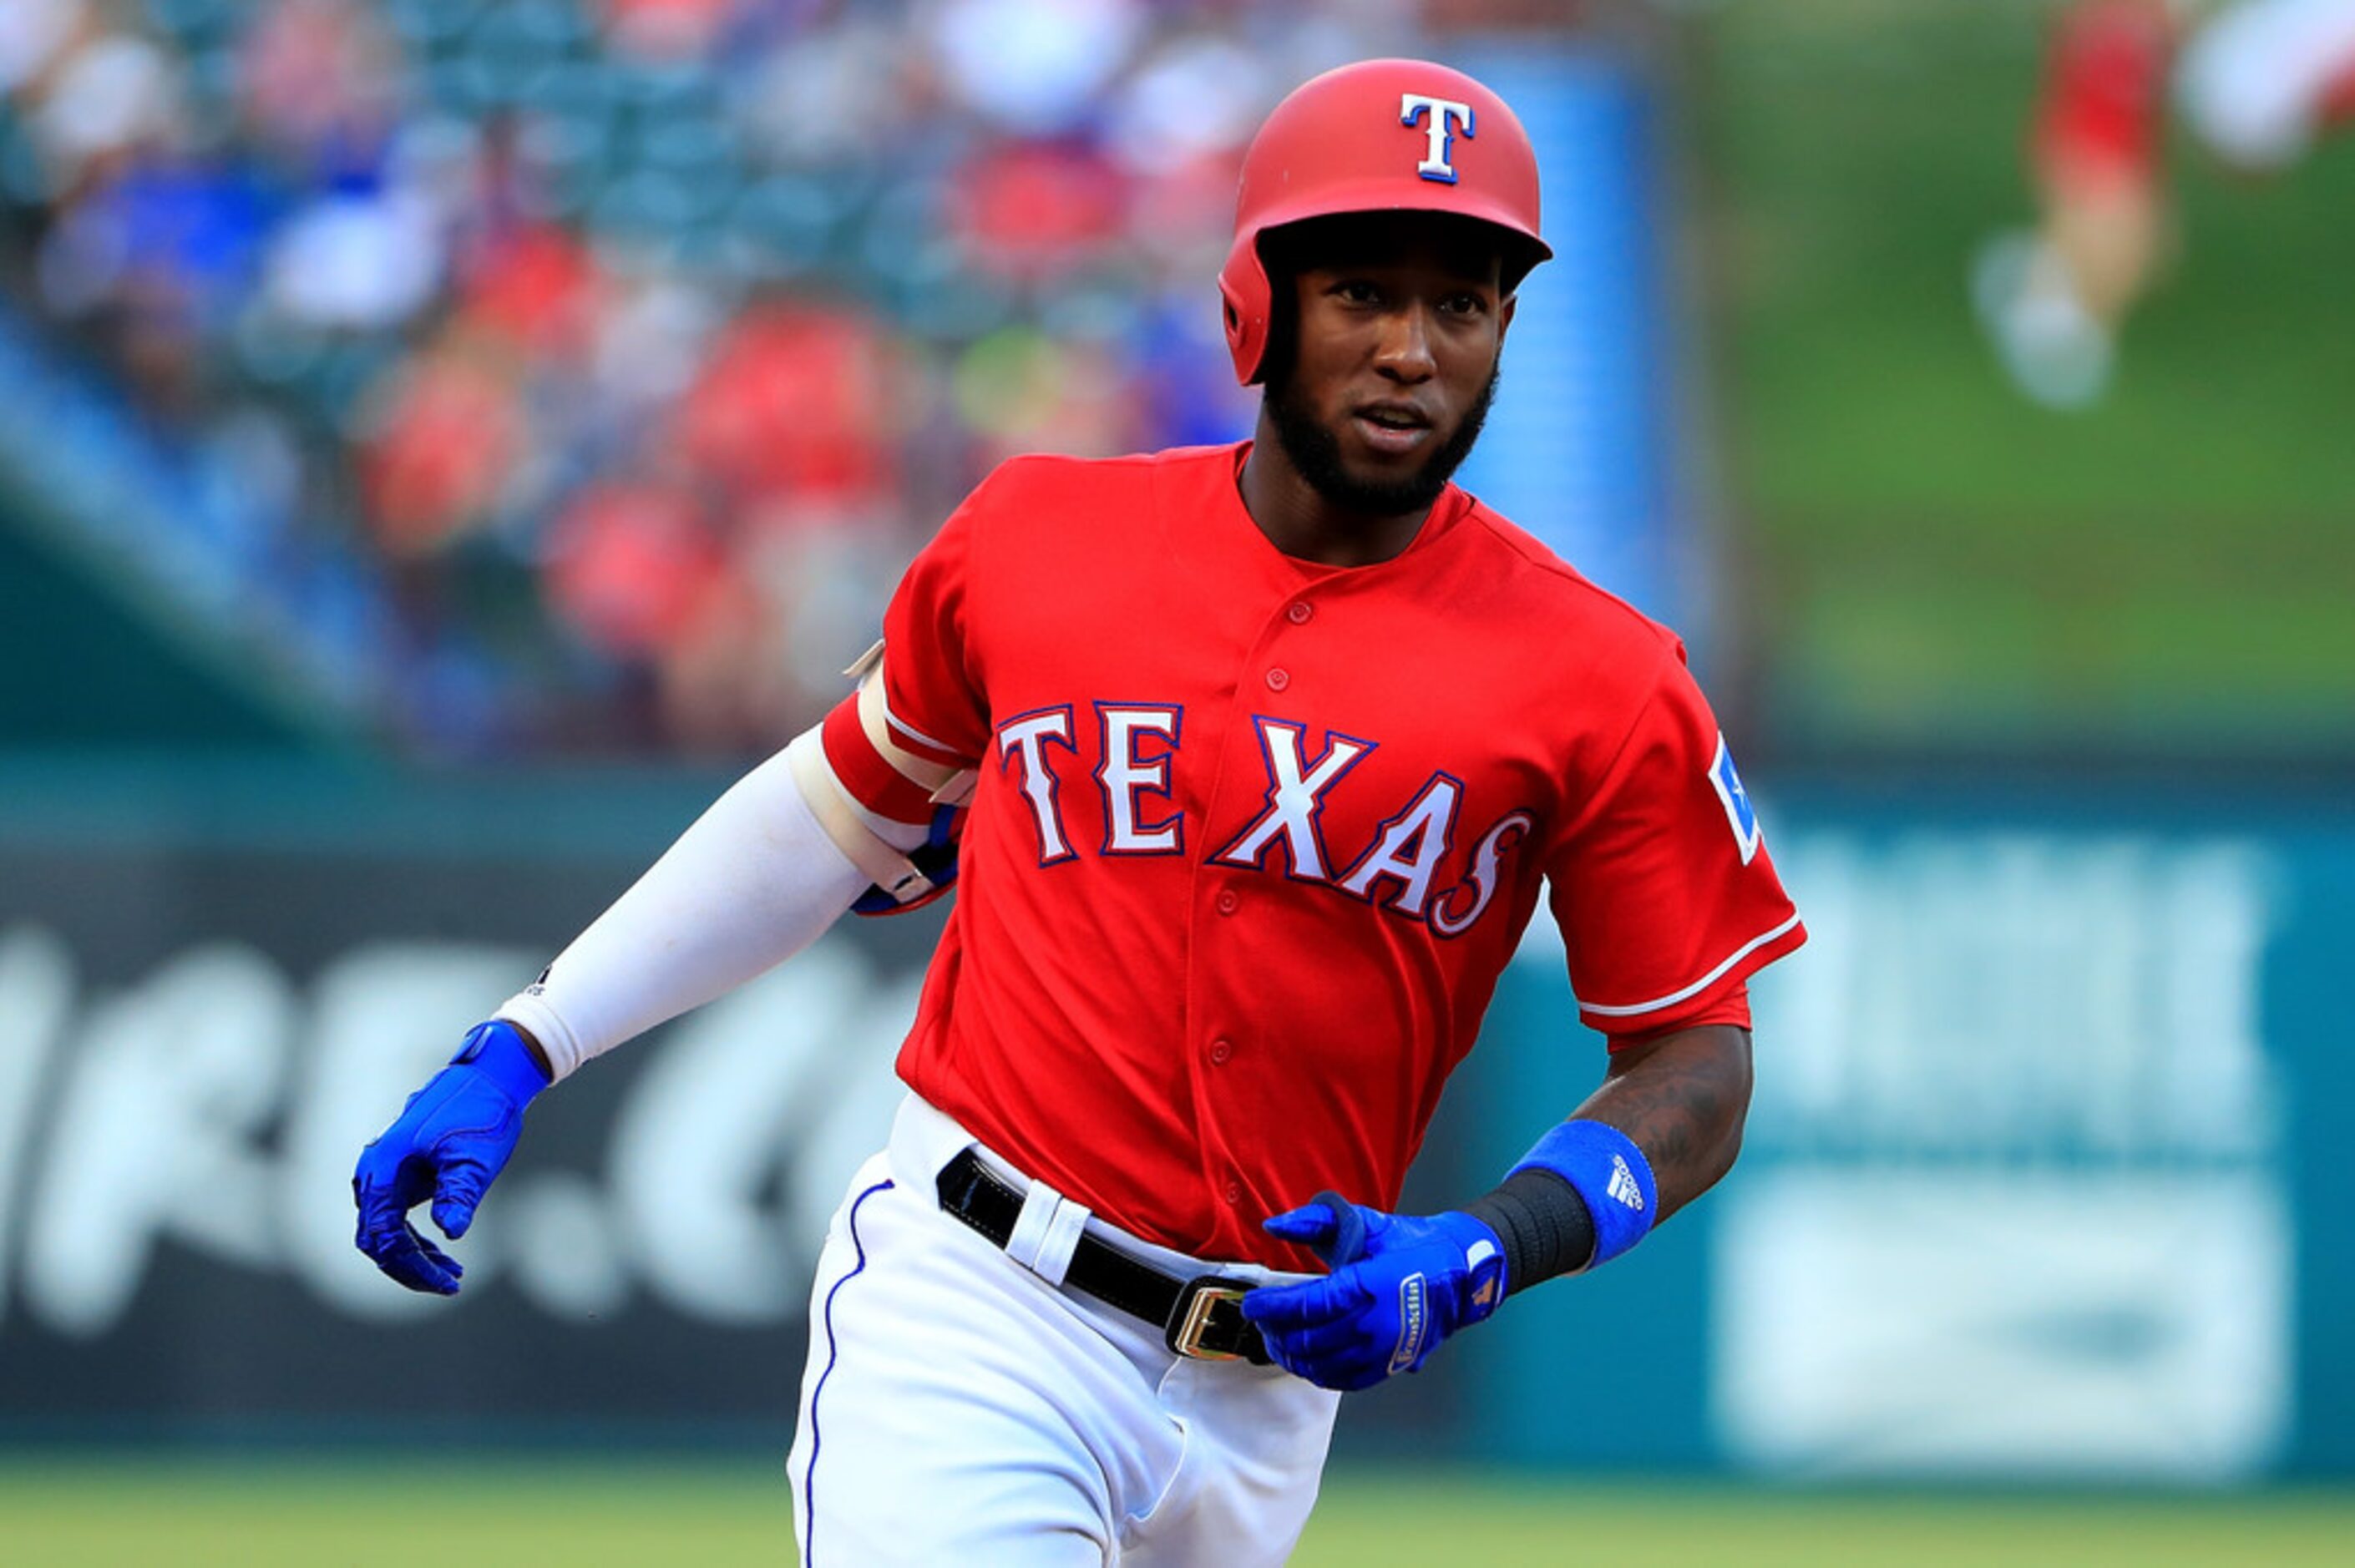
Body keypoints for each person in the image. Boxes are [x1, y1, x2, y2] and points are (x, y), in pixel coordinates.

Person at [353, 58, 1805, 1565]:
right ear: (1258, 302)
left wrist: (1489, 1248)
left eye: (1463, 302)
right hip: (982, 1304)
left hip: (1271, 1399)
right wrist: (531, 1039)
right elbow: (829, 818)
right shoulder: (1041, 539)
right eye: (1364, 291)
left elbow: (1698, 1061)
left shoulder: (1605, 674)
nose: (1412, 350)